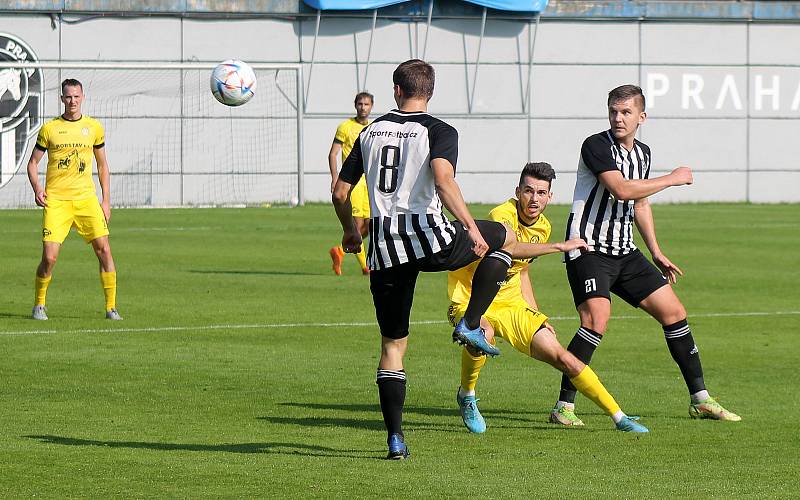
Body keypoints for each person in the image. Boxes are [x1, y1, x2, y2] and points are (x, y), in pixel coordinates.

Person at [332, 59, 520, 460]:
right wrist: (469, 225)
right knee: (502, 236)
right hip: (431, 240)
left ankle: (395, 439)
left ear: (396, 90)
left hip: (385, 249)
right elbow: (443, 179)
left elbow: (339, 192)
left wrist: (350, 231)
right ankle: (471, 323)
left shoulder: (367, 133)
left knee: (392, 344)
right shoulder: (439, 130)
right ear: (429, 92)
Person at [551, 84, 739, 426]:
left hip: (625, 252)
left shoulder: (643, 153)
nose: (618, 118)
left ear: (642, 116)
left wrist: (656, 251)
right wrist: (672, 179)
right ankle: (564, 406)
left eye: (625, 112)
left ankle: (700, 399)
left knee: (674, 312)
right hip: (588, 248)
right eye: (613, 111)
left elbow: (639, 203)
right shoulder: (595, 146)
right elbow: (621, 188)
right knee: (596, 319)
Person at [449, 162, 648, 434]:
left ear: (549, 197)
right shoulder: (502, 214)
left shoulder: (543, 226)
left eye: (541, 193)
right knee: (482, 332)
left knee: (562, 356)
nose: (534, 199)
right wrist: (558, 247)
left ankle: (619, 417)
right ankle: (467, 396)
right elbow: (512, 248)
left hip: (511, 303)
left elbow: (523, 271)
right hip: (471, 297)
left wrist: (536, 314)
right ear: (518, 191)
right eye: (529, 191)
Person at [26, 78, 122, 321]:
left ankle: (111, 308)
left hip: (85, 200)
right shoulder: (50, 129)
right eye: (68, 97)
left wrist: (106, 200)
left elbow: (102, 166)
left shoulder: (94, 128)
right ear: (61, 99)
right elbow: (33, 163)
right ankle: (39, 304)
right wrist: (38, 188)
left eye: (76, 97)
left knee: (105, 251)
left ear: (83, 98)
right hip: (56, 201)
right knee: (49, 257)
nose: (72, 101)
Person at [328, 92, 374, 276]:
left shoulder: (374, 128)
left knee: (369, 225)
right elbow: (333, 154)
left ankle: (339, 250)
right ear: (355, 105)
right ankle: (366, 267)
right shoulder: (345, 127)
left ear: (372, 106)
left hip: (369, 183)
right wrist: (335, 177)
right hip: (352, 183)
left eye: (367, 104)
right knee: (355, 224)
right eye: (360, 104)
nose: (363, 107)